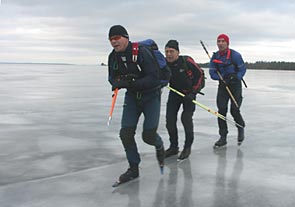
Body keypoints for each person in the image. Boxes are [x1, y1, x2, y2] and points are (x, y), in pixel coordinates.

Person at [107, 25, 165, 184]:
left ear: (126, 37)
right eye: (111, 39)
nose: (114, 42)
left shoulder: (141, 52)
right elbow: (112, 78)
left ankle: (159, 145)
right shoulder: (113, 57)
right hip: (132, 98)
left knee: (148, 136)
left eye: (117, 38)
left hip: (151, 96)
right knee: (125, 133)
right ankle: (133, 168)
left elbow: (153, 78)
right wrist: (120, 82)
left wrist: (131, 83)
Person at [164, 40, 204, 160]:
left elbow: (200, 76)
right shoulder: (164, 64)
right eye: (166, 52)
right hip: (175, 94)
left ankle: (187, 147)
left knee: (186, 119)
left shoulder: (186, 61)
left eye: (171, 51)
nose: (169, 54)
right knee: (170, 120)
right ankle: (173, 147)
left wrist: (193, 93)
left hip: (189, 94)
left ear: (178, 52)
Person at [209, 34, 246, 148]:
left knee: (234, 110)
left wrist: (236, 77)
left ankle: (240, 127)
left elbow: (242, 69)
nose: (220, 43)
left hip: (235, 86)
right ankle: (223, 137)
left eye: (223, 41)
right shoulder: (215, 57)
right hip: (223, 86)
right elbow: (212, 73)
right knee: (221, 111)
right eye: (218, 41)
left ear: (227, 43)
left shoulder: (235, 55)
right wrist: (220, 78)